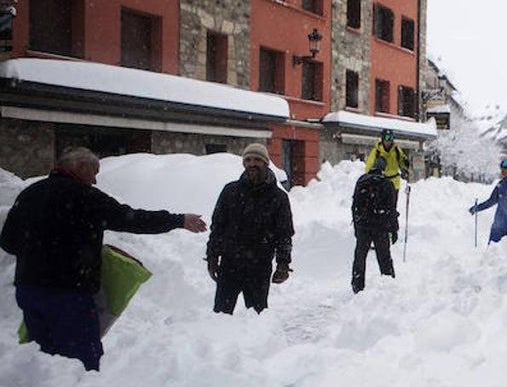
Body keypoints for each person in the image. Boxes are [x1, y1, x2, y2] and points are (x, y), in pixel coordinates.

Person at [0, 147, 207, 370]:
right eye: (94, 172)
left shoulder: (31, 194)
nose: (96, 180)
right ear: (80, 167)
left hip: (29, 288)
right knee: (81, 359)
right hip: (69, 291)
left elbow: (8, 242)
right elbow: (132, 219)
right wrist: (178, 220)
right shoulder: (85, 196)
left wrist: (38, 253)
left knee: (41, 356)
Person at [206, 143, 294, 314]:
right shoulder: (230, 192)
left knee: (257, 317)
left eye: (257, 160)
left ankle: (258, 342)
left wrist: (283, 264)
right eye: (248, 160)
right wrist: (212, 256)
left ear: (266, 163)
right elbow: (217, 227)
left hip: (259, 266)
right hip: (230, 264)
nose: (252, 164)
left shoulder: (278, 197)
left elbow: (284, 234)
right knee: (220, 315)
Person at [351, 162, 399, 292]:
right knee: (384, 257)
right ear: (384, 169)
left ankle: (357, 285)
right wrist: (394, 230)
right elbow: (392, 210)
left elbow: (355, 206)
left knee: (360, 256)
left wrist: (357, 226)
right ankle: (388, 282)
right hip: (380, 226)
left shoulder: (361, 181)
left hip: (363, 225)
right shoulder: (387, 184)